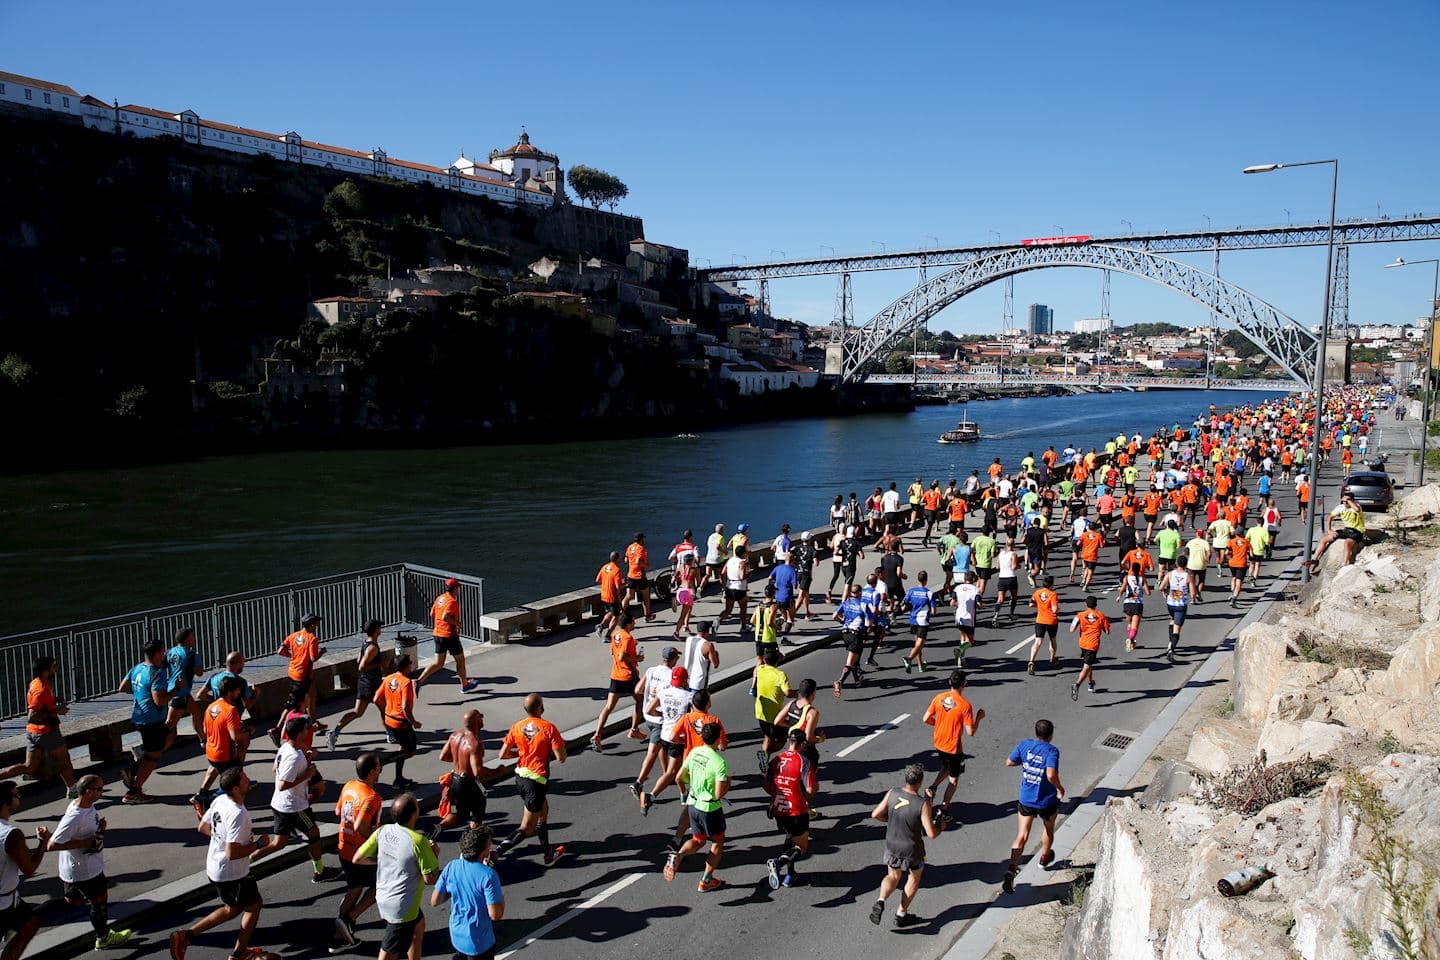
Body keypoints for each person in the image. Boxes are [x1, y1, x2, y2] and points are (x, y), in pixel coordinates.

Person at [169, 767, 281, 960]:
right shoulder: (239, 814)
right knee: (254, 906)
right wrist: (258, 844)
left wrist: (221, 840)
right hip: (233, 873)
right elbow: (232, 853)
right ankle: (239, 954)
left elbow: (202, 827)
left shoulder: (220, 800)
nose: (248, 779)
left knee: (233, 908)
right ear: (236, 789)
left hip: (216, 866)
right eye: (244, 778)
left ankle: (186, 936)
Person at [45, 774, 133, 950]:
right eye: (99, 789)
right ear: (87, 791)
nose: (102, 792)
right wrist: (85, 843)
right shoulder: (75, 815)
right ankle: (103, 938)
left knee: (73, 901)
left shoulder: (84, 806)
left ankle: (23, 921)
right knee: (99, 902)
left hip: (76, 867)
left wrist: (99, 829)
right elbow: (52, 845)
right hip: (86, 870)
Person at [352, 793, 439, 960]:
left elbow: (358, 858)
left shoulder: (383, 831)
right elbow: (430, 879)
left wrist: (384, 860)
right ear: (414, 814)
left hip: (384, 896)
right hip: (402, 908)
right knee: (388, 952)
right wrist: (435, 853)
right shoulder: (418, 841)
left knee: (418, 928)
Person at [493, 694, 567, 865]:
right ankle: (495, 853)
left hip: (520, 777)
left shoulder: (517, 726)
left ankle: (548, 852)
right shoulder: (548, 728)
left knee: (543, 811)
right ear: (541, 707)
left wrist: (521, 753)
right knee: (527, 827)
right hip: (536, 781)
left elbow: (502, 754)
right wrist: (546, 753)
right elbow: (561, 757)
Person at [270, 715, 343, 882]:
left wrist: (306, 759)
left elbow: (275, 769)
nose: (308, 731)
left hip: (280, 803)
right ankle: (320, 872)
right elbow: (282, 784)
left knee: (278, 844)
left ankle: (249, 859)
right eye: (305, 729)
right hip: (295, 807)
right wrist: (307, 775)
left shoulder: (285, 747)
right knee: (314, 834)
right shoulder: (294, 756)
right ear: (299, 733)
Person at [867, 764, 942, 927]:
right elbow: (931, 833)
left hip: (892, 844)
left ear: (906, 779)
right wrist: (941, 825)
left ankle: (881, 900)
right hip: (912, 849)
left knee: (893, 876)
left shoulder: (892, 792)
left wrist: (889, 820)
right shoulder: (922, 803)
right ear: (920, 782)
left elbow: (875, 814)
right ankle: (901, 914)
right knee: (914, 877)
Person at [662, 722, 729, 891]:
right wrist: (728, 783)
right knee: (717, 843)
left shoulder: (694, 752)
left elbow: (679, 777)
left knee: (698, 840)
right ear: (718, 738)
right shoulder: (719, 762)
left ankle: (679, 855)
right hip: (710, 809)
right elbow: (718, 794)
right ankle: (706, 881)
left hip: (693, 805)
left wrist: (684, 792)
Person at [1001, 719, 1065, 894]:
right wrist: (1059, 788)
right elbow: (1051, 775)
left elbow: (1009, 762)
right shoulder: (1052, 751)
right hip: (1047, 800)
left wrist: (1025, 763)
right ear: (1051, 735)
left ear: (1036, 733)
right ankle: (1044, 858)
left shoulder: (1025, 745)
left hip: (1026, 798)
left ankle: (1011, 869)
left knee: (1022, 835)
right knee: (1048, 829)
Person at [331, 752, 383, 954]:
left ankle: (338, 937)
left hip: (344, 847)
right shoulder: (371, 797)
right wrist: (377, 836)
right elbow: (361, 826)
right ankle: (349, 918)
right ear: (371, 773)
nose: (380, 769)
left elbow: (338, 811)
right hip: (361, 852)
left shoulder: (349, 786)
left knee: (354, 889)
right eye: (378, 767)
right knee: (381, 884)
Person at [0, 656, 74, 795]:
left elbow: (42, 705)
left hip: (33, 732)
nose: (56, 669)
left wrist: (55, 699)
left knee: (29, 767)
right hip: (47, 732)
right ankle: (73, 791)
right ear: (45, 671)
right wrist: (58, 711)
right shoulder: (41, 690)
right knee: (64, 760)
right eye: (53, 666)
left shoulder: (36, 682)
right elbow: (32, 716)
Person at [432, 826, 505, 960]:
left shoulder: (452, 866)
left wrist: (459, 888)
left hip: (457, 935)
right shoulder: (488, 875)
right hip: (479, 942)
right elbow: (495, 915)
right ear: (484, 850)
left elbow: (435, 901)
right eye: (489, 843)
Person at [923, 670, 983, 825]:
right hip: (953, 748)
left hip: (938, 743)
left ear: (950, 682)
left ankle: (933, 787)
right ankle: (943, 811)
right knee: (954, 780)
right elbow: (970, 732)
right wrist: (978, 718)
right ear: (964, 685)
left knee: (946, 766)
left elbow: (926, 719)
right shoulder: (965, 706)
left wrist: (939, 724)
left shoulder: (939, 697)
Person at [119, 638, 172, 804]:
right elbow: (159, 701)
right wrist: (175, 690)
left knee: (168, 737)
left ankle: (136, 764)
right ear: (157, 653)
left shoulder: (137, 668)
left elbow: (122, 687)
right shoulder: (157, 672)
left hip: (139, 715)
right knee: (153, 757)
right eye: (163, 651)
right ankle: (133, 792)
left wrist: (140, 692)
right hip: (152, 719)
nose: (164, 654)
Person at [763, 728, 816, 890]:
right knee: (801, 846)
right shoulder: (803, 761)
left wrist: (777, 794)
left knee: (790, 838)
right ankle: (778, 863)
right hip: (796, 810)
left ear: (788, 741)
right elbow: (810, 789)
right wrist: (807, 803)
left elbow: (767, 785)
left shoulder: (776, 759)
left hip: (779, 809)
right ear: (802, 744)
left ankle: (790, 875)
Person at [192, 675, 250, 818]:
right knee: (235, 784)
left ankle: (203, 796)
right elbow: (235, 736)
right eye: (237, 690)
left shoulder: (211, 707)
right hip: (225, 754)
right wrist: (247, 733)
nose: (239, 693)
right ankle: (206, 801)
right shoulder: (231, 709)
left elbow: (206, 729)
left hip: (211, 751)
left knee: (227, 779)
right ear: (230, 691)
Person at [639, 667, 694, 814]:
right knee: (671, 773)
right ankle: (650, 796)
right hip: (678, 739)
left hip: (664, 735)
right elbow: (693, 718)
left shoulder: (663, 693)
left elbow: (649, 710)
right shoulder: (689, 696)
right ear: (685, 680)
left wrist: (663, 715)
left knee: (679, 768)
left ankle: (683, 794)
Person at [327, 619, 387, 751]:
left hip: (364, 683)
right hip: (372, 684)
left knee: (357, 712)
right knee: (385, 709)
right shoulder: (372, 647)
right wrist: (380, 663)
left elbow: (358, 660)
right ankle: (391, 734)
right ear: (376, 630)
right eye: (379, 627)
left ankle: (335, 732)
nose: (381, 629)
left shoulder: (366, 643)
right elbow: (361, 666)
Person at [631, 646, 682, 803]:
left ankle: (666, 773)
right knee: (652, 752)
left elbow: (638, 690)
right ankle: (638, 782)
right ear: (673, 660)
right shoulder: (671, 675)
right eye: (677, 658)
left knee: (659, 747)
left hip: (648, 716)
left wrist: (648, 697)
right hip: (660, 719)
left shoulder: (651, 670)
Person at [269, 613, 325, 746]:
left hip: (293, 672)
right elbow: (313, 658)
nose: (317, 626)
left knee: (311, 696)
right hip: (303, 676)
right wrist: (322, 652)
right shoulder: (312, 638)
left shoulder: (293, 636)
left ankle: (314, 722)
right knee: (293, 705)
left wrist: (294, 656)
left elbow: (280, 651)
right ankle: (277, 729)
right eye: (316, 623)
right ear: (312, 625)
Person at [417, 578, 479, 693]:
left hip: (438, 634)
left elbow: (432, 613)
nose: (458, 590)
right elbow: (445, 616)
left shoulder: (440, 598)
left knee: (438, 663)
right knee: (460, 660)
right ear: (454, 589)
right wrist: (458, 624)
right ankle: (465, 685)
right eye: (458, 588)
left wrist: (441, 624)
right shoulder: (452, 601)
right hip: (450, 636)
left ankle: (419, 681)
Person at [592, 613, 644, 750]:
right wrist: (637, 659)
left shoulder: (616, 634)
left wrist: (632, 646)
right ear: (629, 623)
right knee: (640, 701)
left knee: (609, 707)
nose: (635, 623)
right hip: (629, 675)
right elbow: (622, 656)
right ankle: (634, 729)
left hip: (616, 675)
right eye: (633, 621)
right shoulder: (627, 637)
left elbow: (614, 652)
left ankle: (597, 735)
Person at [436, 710, 491, 838]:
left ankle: (440, 826)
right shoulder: (475, 743)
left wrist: (460, 761)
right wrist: (498, 771)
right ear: (477, 721)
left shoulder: (454, 736)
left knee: (462, 814)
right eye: (480, 718)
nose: (482, 720)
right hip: (469, 782)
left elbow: (443, 756)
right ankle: (474, 839)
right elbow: (478, 771)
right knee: (477, 813)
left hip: (455, 779)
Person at [375, 654, 422, 789]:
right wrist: (414, 722)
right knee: (410, 751)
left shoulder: (388, 678)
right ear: (407, 666)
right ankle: (381, 762)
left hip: (389, 720)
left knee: (403, 748)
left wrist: (387, 710)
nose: (411, 664)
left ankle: (398, 779)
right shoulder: (406, 682)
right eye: (410, 662)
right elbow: (405, 707)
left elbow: (376, 699)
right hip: (401, 723)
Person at [165, 627, 206, 744]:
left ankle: (203, 739)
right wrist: (192, 664)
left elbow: (162, 666)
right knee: (170, 724)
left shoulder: (170, 652)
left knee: (196, 713)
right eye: (192, 637)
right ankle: (152, 747)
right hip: (180, 693)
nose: (194, 639)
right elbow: (200, 673)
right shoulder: (191, 655)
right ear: (187, 639)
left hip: (176, 690)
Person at [753, 648, 795, 759]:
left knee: (768, 737)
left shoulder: (760, 669)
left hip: (760, 712)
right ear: (777, 660)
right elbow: (788, 693)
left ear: (764, 659)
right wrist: (798, 694)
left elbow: (757, 669)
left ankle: (764, 760)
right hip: (775, 715)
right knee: (782, 740)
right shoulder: (780, 675)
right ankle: (767, 754)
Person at [1069, 596, 1112, 701]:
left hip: (1082, 643)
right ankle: (1077, 684)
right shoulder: (1101, 616)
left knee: (1089, 665)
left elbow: (1072, 629)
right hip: (1093, 645)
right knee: (1087, 666)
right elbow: (1107, 631)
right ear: (1096, 604)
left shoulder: (1079, 615)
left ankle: (1090, 682)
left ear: (1085, 604)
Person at [1308, 494, 1368, 568]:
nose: (1345, 503)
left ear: (1352, 501)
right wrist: (1329, 530)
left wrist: (1348, 500)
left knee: (1347, 543)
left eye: (1347, 501)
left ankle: (1345, 564)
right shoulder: (1340, 507)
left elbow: (1357, 509)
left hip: (1357, 531)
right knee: (1324, 539)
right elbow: (1330, 517)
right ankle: (1314, 559)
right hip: (1347, 530)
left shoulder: (1356, 506)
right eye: (1343, 501)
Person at [831, 584, 869, 697]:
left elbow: (834, 616)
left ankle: (857, 680)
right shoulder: (863, 604)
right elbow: (869, 622)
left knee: (855, 658)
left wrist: (842, 621)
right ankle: (840, 681)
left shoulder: (846, 602)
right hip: (856, 634)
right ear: (860, 593)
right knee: (850, 662)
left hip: (845, 634)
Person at [901, 570, 937, 673]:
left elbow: (903, 606)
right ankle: (909, 659)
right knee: (920, 644)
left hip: (913, 620)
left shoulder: (911, 591)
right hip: (923, 620)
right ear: (926, 580)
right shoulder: (929, 593)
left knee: (917, 644)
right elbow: (934, 612)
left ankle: (920, 665)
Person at [1026, 576, 1060, 675]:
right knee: (1052, 640)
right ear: (1051, 585)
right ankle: (1052, 659)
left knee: (1037, 642)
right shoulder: (1053, 594)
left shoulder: (1037, 592)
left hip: (1040, 620)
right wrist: (1058, 609)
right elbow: (1054, 610)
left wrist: (1041, 606)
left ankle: (1031, 661)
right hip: (1051, 621)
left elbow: (1031, 605)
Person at [1115, 563, 1149, 652]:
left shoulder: (1127, 578)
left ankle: (1132, 641)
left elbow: (1122, 589)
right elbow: (1148, 592)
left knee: (1130, 623)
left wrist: (1119, 596)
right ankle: (1130, 640)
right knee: (1135, 627)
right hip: (1138, 604)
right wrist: (1140, 590)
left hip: (1127, 603)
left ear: (1131, 570)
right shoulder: (1142, 579)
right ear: (1139, 569)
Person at [623, 532, 654, 622]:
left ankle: (621, 613)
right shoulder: (641, 548)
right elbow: (638, 561)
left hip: (630, 575)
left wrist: (631, 563)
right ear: (641, 539)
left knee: (629, 596)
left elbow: (626, 560)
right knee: (645, 596)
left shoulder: (629, 547)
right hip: (640, 576)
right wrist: (646, 565)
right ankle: (647, 616)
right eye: (643, 539)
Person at [594, 551, 625, 641]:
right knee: (616, 616)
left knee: (610, 612)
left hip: (604, 595)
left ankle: (601, 626)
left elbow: (597, 580)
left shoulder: (605, 567)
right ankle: (607, 636)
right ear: (617, 559)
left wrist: (607, 583)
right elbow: (618, 587)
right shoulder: (617, 570)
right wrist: (624, 583)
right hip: (613, 597)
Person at [1162, 564, 1191, 662]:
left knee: (1172, 620)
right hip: (1180, 606)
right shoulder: (1187, 576)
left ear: (1178, 564)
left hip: (1170, 604)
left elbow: (1161, 587)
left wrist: (1165, 591)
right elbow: (1193, 593)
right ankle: (1171, 649)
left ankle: (1170, 643)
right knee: (1177, 629)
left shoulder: (1170, 574)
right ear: (1185, 565)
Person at [682, 620, 719, 693]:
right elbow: (715, 664)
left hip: (686, 681)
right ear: (707, 631)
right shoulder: (708, 645)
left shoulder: (689, 639)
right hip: (699, 684)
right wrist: (716, 654)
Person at [953, 570, 981, 667]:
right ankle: (960, 650)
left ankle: (960, 661)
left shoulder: (957, 588)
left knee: (963, 637)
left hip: (959, 617)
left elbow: (952, 603)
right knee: (970, 641)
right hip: (969, 618)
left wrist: (960, 604)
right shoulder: (975, 590)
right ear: (973, 579)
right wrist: (980, 606)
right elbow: (979, 604)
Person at [719, 545, 751, 628]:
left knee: (728, 610)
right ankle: (743, 626)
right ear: (743, 553)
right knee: (743, 609)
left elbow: (723, 573)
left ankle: (718, 620)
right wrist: (749, 574)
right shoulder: (742, 562)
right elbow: (742, 577)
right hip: (740, 588)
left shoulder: (730, 560)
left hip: (729, 587)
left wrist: (724, 584)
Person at [1184, 528, 1211, 604]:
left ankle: (1193, 599)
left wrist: (1189, 557)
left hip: (1191, 565)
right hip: (1202, 565)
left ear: (1196, 534)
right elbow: (1209, 553)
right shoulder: (1205, 543)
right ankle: (1198, 593)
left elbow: (1186, 552)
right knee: (1201, 580)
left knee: (1192, 582)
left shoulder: (1190, 542)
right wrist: (1207, 559)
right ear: (1203, 535)